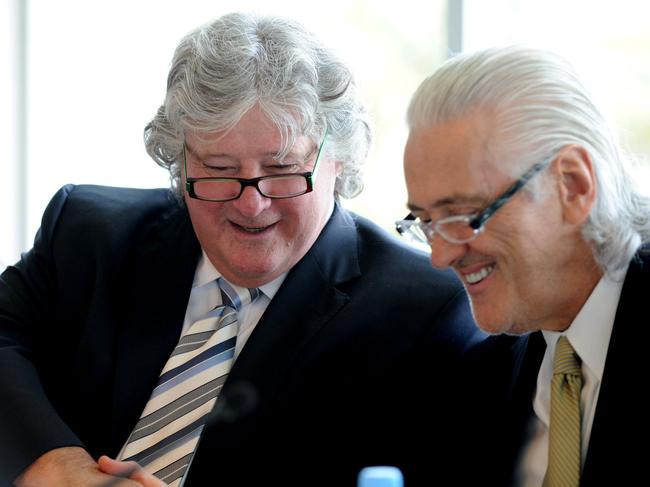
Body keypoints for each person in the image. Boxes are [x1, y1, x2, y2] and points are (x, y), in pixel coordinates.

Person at [0, 12, 483, 487]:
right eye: (218, 168)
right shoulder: (90, 233)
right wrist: (55, 466)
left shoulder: (427, 312)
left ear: (338, 159)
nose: (252, 205)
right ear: (179, 160)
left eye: (281, 168)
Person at [399, 45, 650, 486]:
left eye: (463, 216)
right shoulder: (482, 376)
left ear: (573, 185)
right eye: (425, 222)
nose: (440, 256)